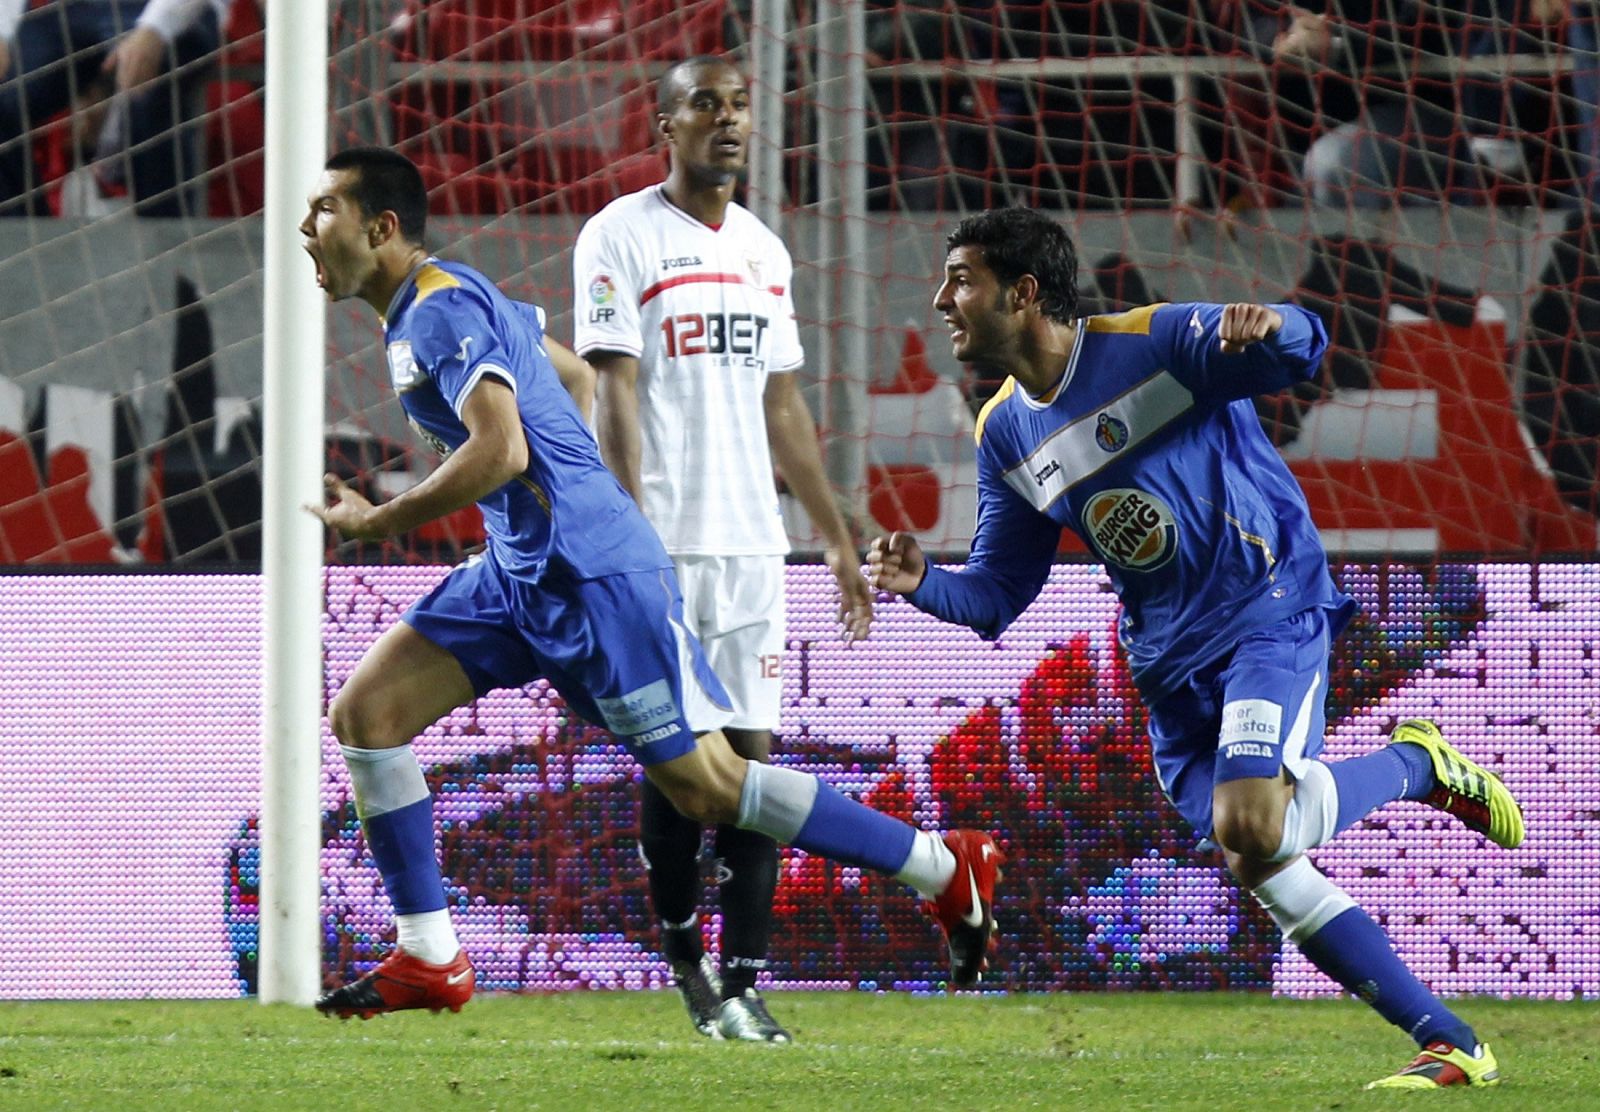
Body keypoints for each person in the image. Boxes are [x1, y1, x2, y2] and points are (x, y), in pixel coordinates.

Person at [299, 146, 1000, 1019]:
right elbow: (570, 376)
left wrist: (380, 521)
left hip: (593, 577)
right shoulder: (441, 301)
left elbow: (503, 448)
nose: (304, 229)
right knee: (367, 715)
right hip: (523, 572)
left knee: (706, 787)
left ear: (381, 226)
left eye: (322, 210)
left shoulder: (440, 313)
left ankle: (942, 864)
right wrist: (563, 485)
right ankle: (429, 955)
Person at [867, 207, 1524, 1090]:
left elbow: (1303, 349)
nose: (944, 299)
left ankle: (1415, 766)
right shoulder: (1004, 434)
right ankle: (1453, 1042)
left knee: (1250, 820)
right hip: (1169, 662)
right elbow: (995, 597)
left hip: (1266, 609)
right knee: (1261, 855)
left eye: (962, 280)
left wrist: (1274, 323)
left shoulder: (1155, 340)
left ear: (1023, 294)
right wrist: (921, 584)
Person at [573, 55, 874, 1043]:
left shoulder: (764, 250)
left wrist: (831, 536)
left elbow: (781, 401)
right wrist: (628, 530)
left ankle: (741, 983)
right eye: (707, 104)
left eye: (740, 106)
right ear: (665, 123)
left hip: (752, 547)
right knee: (677, 771)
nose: (729, 120)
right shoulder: (618, 234)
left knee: (750, 764)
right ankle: (685, 958)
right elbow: (612, 388)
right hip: (662, 545)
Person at [0, 0, 227, 216]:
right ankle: (29, 242)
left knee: (146, 84)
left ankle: (165, 241)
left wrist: (157, 26)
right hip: (71, 9)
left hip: (171, 8)